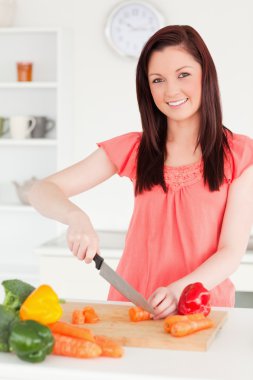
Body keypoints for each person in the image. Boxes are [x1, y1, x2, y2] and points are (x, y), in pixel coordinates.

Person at [28, 25, 253, 320]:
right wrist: (76, 218)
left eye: (183, 74)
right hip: (132, 306)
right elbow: (41, 190)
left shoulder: (240, 154)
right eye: (158, 80)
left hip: (202, 309)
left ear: (205, 75)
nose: (171, 90)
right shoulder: (136, 148)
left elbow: (230, 252)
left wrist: (178, 291)